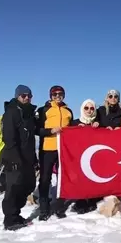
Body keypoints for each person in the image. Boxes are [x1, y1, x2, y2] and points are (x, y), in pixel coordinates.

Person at [0, 85, 38, 230]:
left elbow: (31, 138)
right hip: (14, 158)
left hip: (27, 157)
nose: (27, 98)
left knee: (29, 185)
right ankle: (10, 219)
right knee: (14, 188)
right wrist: (15, 158)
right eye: (23, 95)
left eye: (29, 95)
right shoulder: (11, 112)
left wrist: (33, 158)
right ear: (17, 96)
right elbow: (9, 138)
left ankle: (16, 213)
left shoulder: (28, 113)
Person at [36, 85, 73, 221]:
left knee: (62, 179)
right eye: (55, 94)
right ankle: (44, 209)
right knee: (45, 179)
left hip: (63, 149)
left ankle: (59, 206)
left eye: (60, 94)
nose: (57, 96)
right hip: (47, 149)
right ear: (50, 96)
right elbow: (37, 129)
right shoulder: (44, 110)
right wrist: (50, 131)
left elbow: (72, 129)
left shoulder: (68, 111)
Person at [68, 99, 101, 214]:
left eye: (92, 108)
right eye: (86, 108)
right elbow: (66, 137)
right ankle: (80, 201)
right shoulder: (75, 122)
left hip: (93, 156)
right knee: (80, 177)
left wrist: (100, 127)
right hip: (78, 156)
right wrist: (76, 129)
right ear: (82, 109)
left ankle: (92, 199)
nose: (89, 110)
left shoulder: (98, 123)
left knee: (92, 177)